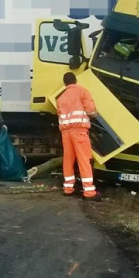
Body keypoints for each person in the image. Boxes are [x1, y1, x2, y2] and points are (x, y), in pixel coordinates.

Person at [56, 72, 102, 201]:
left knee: (68, 160)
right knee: (84, 160)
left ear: (65, 83)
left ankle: (68, 188)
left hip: (66, 133)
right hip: (79, 131)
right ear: (75, 80)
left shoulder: (60, 98)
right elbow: (91, 111)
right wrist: (94, 115)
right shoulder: (83, 91)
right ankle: (89, 192)